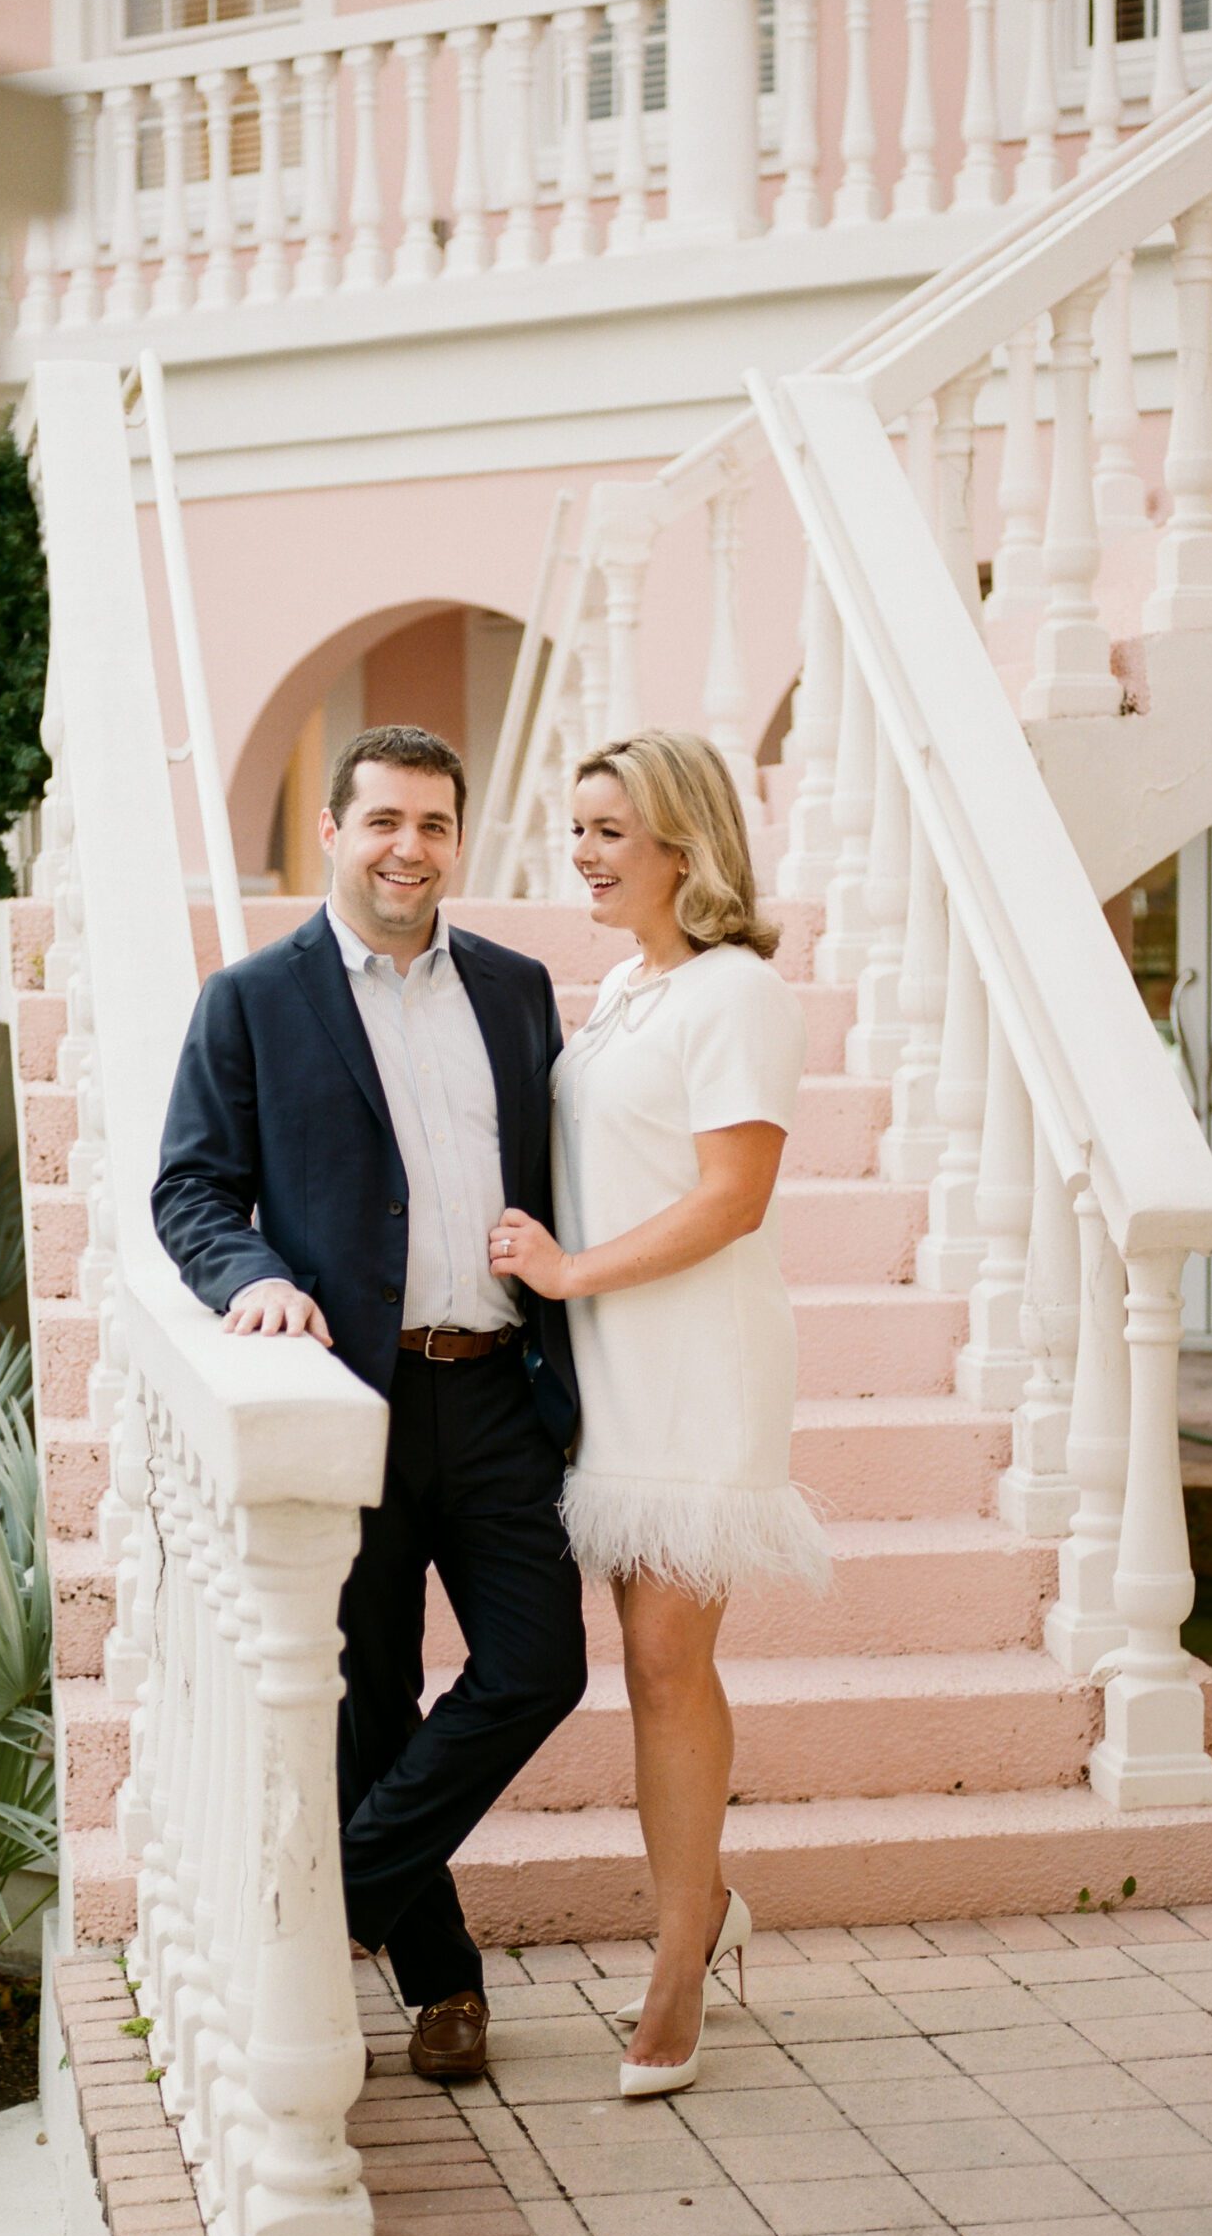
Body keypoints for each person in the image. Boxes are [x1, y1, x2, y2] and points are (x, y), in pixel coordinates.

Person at [153, 723, 586, 2085]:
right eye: (383, 820)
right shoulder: (251, 1000)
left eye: (434, 825)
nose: (409, 848)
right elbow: (190, 1191)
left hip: (500, 1384)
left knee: (539, 1666)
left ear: (460, 841)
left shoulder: (515, 990)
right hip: (357, 1395)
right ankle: (442, 1983)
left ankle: (333, 1902)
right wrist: (256, 1275)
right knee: (373, 1697)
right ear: (331, 832)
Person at [489, 729, 830, 2099]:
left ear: (683, 845)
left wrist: (569, 1269)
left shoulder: (736, 993)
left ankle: (680, 1952)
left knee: (664, 1658)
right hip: (608, 1362)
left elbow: (731, 1196)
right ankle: (708, 1904)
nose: (581, 853)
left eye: (607, 831)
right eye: (576, 828)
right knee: (647, 1658)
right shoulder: (626, 986)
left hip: (695, 1358)